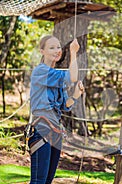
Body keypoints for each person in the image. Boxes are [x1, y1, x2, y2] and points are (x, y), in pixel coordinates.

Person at [28, 35, 84, 184]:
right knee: (39, 181)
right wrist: (73, 53)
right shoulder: (41, 71)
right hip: (42, 130)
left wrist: (76, 95)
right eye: (51, 48)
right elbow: (72, 77)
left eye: (58, 47)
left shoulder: (55, 77)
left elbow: (66, 105)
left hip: (55, 134)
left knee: (47, 181)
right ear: (42, 51)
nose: (57, 50)